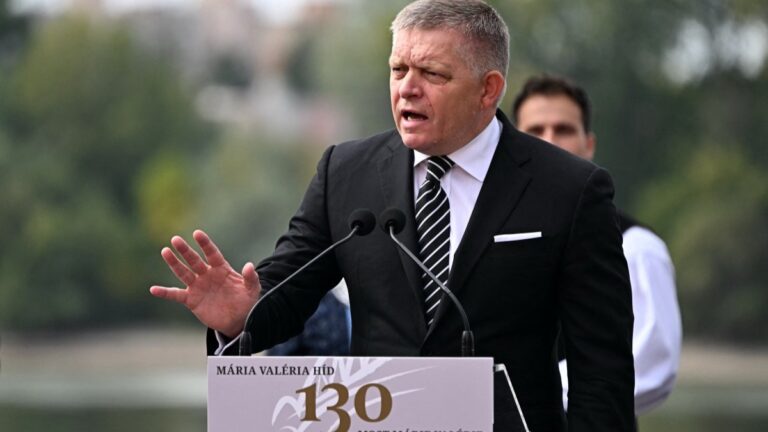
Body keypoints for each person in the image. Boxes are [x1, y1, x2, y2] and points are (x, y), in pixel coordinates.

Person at [149, 1, 635, 431]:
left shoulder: (570, 189)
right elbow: (288, 289)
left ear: (489, 89)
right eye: (398, 69)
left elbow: (602, 371)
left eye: (432, 74)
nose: (408, 89)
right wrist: (241, 314)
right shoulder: (345, 171)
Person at [511, 74, 682, 415]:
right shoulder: (483, 237)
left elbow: (650, 365)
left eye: (563, 129)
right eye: (535, 131)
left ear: (589, 145)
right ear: (513, 147)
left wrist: (519, 399)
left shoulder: (637, 247)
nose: (549, 141)